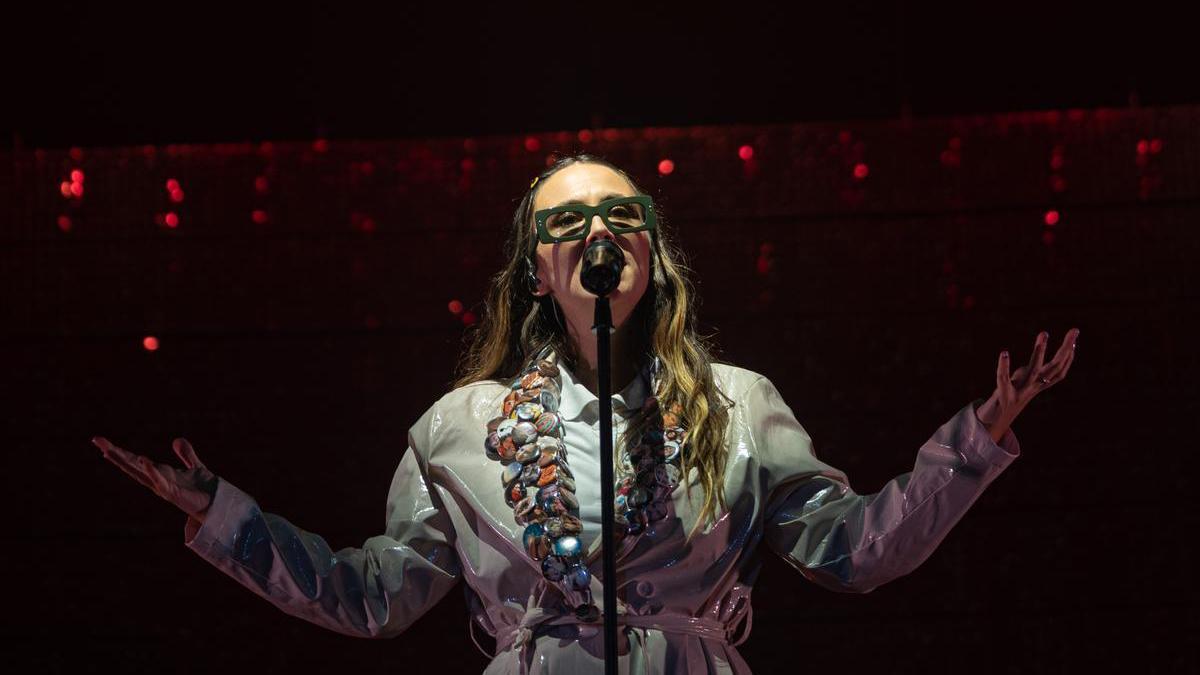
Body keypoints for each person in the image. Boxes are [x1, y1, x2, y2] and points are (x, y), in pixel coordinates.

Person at [93, 152, 1078, 674]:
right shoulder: (457, 430)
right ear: (538, 269)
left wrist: (975, 440)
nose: (598, 230)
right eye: (569, 219)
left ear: (648, 257)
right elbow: (373, 597)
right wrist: (224, 516)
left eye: (621, 215)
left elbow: (856, 550)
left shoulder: (740, 407)